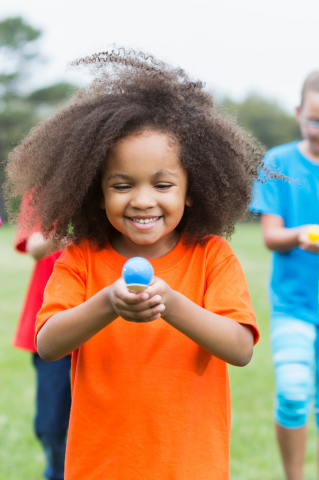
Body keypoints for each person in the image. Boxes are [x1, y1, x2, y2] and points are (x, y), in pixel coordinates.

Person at [5, 49, 263, 480]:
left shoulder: (212, 255)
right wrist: (107, 303)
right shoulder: (82, 257)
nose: (143, 200)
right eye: (122, 185)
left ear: (192, 190)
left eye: (162, 184)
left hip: (190, 467)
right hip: (99, 467)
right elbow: (49, 344)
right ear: (96, 193)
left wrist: (174, 304)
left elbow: (240, 349)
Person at [253, 71, 319, 480]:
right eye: (315, 119)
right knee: (294, 394)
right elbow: (271, 236)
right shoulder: (278, 162)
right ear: (298, 113)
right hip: (293, 307)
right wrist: (301, 235)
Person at [14, 221, 71, 480]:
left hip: (110, 329)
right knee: (52, 424)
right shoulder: (43, 187)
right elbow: (36, 246)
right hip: (51, 326)